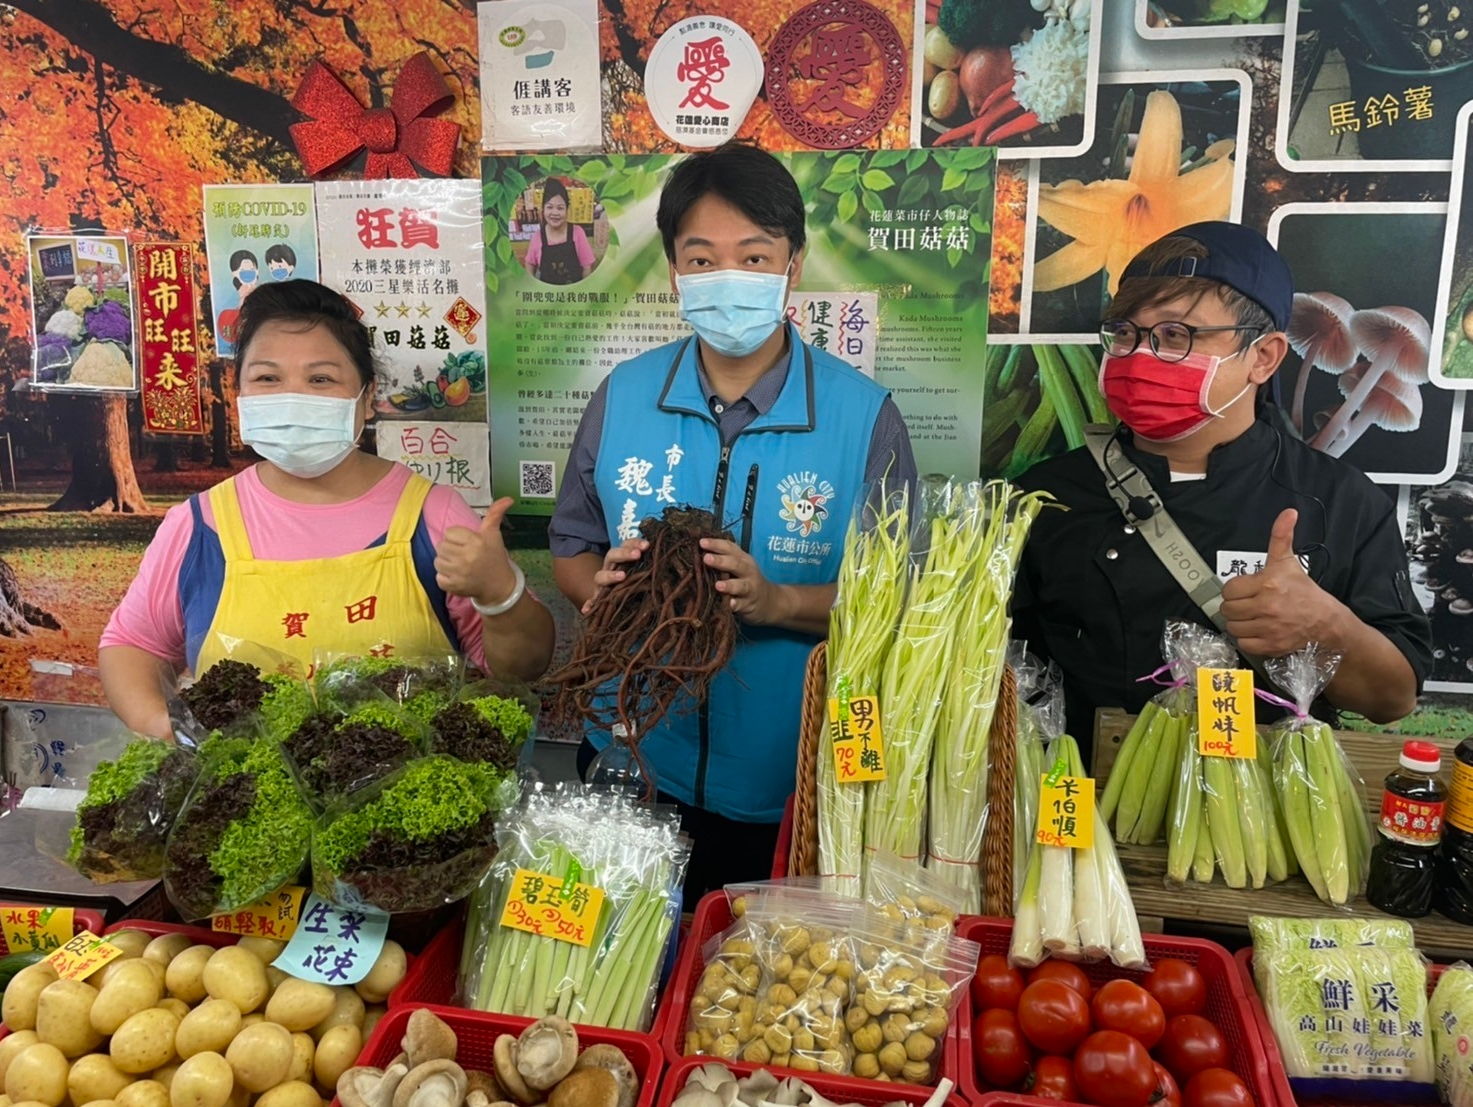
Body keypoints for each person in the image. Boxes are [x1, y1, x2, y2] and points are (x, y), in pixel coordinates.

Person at [549, 142, 918, 899]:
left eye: (754, 257)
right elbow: (572, 549)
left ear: (793, 263)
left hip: (786, 778)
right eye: (704, 258)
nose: (730, 279)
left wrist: (777, 602)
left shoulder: (864, 417)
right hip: (633, 757)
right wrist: (604, 594)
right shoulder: (623, 395)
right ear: (675, 269)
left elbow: (895, 599)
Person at [1013, 221, 1433, 752]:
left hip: (1263, 816)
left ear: (1264, 356)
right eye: (1124, 332)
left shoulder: (1340, 500)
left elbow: (1393, 700)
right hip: (1076, 810)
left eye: (1175, 334)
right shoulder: (1042, 496)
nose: (1139, 357)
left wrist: (1326, 627)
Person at [100, 279, 555, 739]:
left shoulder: (432, 515)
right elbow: (131, 646)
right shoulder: (198, 526)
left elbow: (522, 668)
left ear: (368, 396)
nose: (293, 397)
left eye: (321, 378)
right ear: (239, 392)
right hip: (249, 802)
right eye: (267, 378)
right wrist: (167, 728)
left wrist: (501, 592)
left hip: (394, 795)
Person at [524, 177, 595, 285]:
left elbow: (587, 267)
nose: (555, 213)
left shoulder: (577, 232)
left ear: (567, 210)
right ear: (543, 209)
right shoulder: (537, 237)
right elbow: (529, 264)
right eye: (549, 207)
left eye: (560, 208)